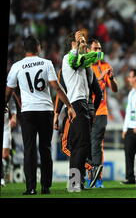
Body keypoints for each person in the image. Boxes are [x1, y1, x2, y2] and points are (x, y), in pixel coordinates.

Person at [5, 36, 76, 195]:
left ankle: (30, 188)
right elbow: (56, 88)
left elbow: (9, 91)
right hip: (45, 111)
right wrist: (69, 106)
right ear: (38, 47)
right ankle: (45, 187)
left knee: (29, 150)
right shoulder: (46, 63)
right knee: (45, 148)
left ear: (25, 49)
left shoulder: (17, 66)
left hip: (28, 111)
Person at [57, 31, 104, 192]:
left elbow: (91, 83)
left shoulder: (83, 63)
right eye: (81, 41)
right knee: (81, 144)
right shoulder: (68, 59)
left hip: (82, 103)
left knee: (79, 144)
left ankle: (76, 182)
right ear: (73, 43)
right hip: (76, 103)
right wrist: (78, 47)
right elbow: (75, 62)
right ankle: (76, 182)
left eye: (84, 40)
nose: (84, 43)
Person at [87, 39, 118, 188]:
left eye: (99, 48)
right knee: (85, 145)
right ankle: (87, 177)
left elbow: (115, 89)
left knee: (97, 144)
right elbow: (87, 86)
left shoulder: (105, 66)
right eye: (95, 48)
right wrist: (100, 77)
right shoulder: (84, 66)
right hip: (86, 110)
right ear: (88, 50)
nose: (98, 51)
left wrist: (111, 78)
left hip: (100, 111)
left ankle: (97, 179)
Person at [121, 69, 136, 185]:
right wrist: (125, 128)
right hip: (130, 127)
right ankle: (130, 177)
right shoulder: (131, 93)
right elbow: (128, 111)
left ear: (135, 78)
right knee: (128, 153)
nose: (128, 79)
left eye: (130, 77)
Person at [1, 92, 19, 187]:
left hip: (5, 126)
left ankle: (7, 166)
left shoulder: (8, 89)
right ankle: (2, 178)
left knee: (5, 155)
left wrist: (14, 117)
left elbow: (12, 104)